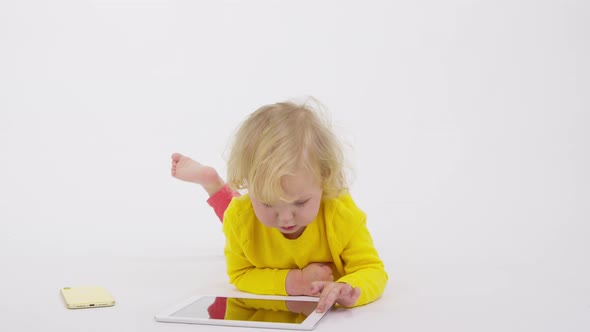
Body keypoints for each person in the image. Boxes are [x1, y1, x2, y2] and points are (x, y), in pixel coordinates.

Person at [171, 100, 387, 313]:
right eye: (267, 202)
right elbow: (240, 274)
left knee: (246, 215)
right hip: (243, 216)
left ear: (325, 179)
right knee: (234, 213)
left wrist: (348, 288)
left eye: (300, 202)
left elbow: (371, 270)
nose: (285, 219)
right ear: (248, 183)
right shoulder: (241, 216)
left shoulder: (340, 213)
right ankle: (214, 185)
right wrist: (295, 282)